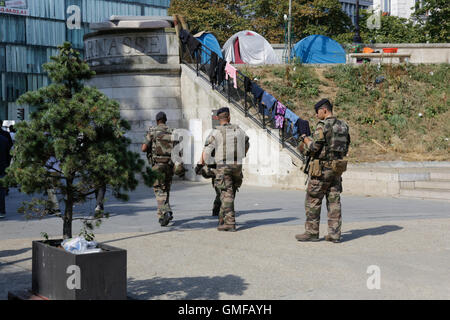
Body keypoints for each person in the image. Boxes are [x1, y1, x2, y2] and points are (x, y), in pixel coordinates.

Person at [295, 99, 350, 243]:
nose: (315, 114)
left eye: (317, 111)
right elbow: (346, 147)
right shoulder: (343, 126)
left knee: (313, 200)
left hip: (321, 170)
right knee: (334, 201)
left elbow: (313, 148)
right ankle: (334, 234)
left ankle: (312, 233)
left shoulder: (322, 126)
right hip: (336, 169)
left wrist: (305, 140)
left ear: (324, 110)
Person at [198, 107, 249, 231]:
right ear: (229, 117)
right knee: (230, 192)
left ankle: (230, 223)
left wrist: (201, 164)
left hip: (224, 166)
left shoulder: (216, 132)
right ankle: (222, 219)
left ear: (217, 118)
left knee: (226, 193)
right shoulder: (239, 130)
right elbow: (247, 144)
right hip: (237, 165)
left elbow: (207, 152)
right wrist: (242, 155)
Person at [142, 112, 177, 227]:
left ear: (157, 121)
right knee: (165, 189)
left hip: (157, 165)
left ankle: (166, 211)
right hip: (169, 165)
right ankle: (162, 216)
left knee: (158, 190)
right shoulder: (172, 132)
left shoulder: (152, 131)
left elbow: (144, 148)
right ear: (165, 120)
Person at [0, 134, 9, 218]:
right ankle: (2, 211)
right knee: (1, 191)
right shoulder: (4, 139)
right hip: (2, 167)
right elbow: (9, 155)